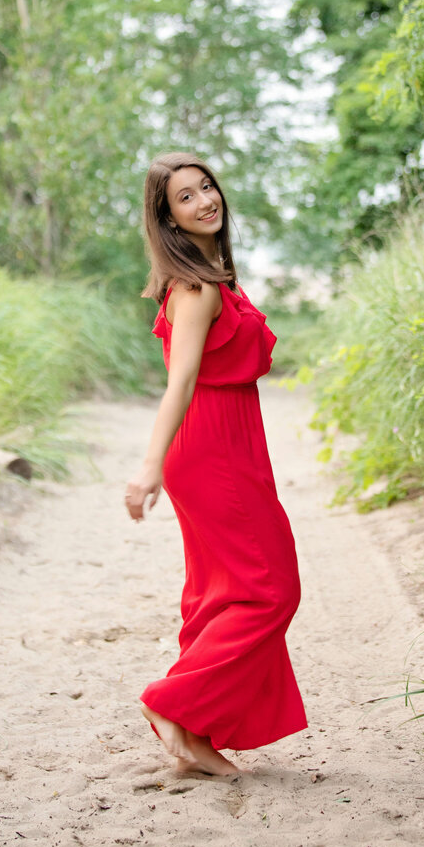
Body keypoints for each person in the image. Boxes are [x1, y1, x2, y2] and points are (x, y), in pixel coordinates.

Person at [124, 152, 307, 776]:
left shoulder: (211, 274)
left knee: (221, 592)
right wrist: (149, 467)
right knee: (270, 589)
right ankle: (172, 703)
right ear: (167, 218)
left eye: (207, 186)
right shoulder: (198, 288)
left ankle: (196, 737)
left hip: (227, 447)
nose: (205, 200)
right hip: (210, 452)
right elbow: (179, 384)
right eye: (185, 196)